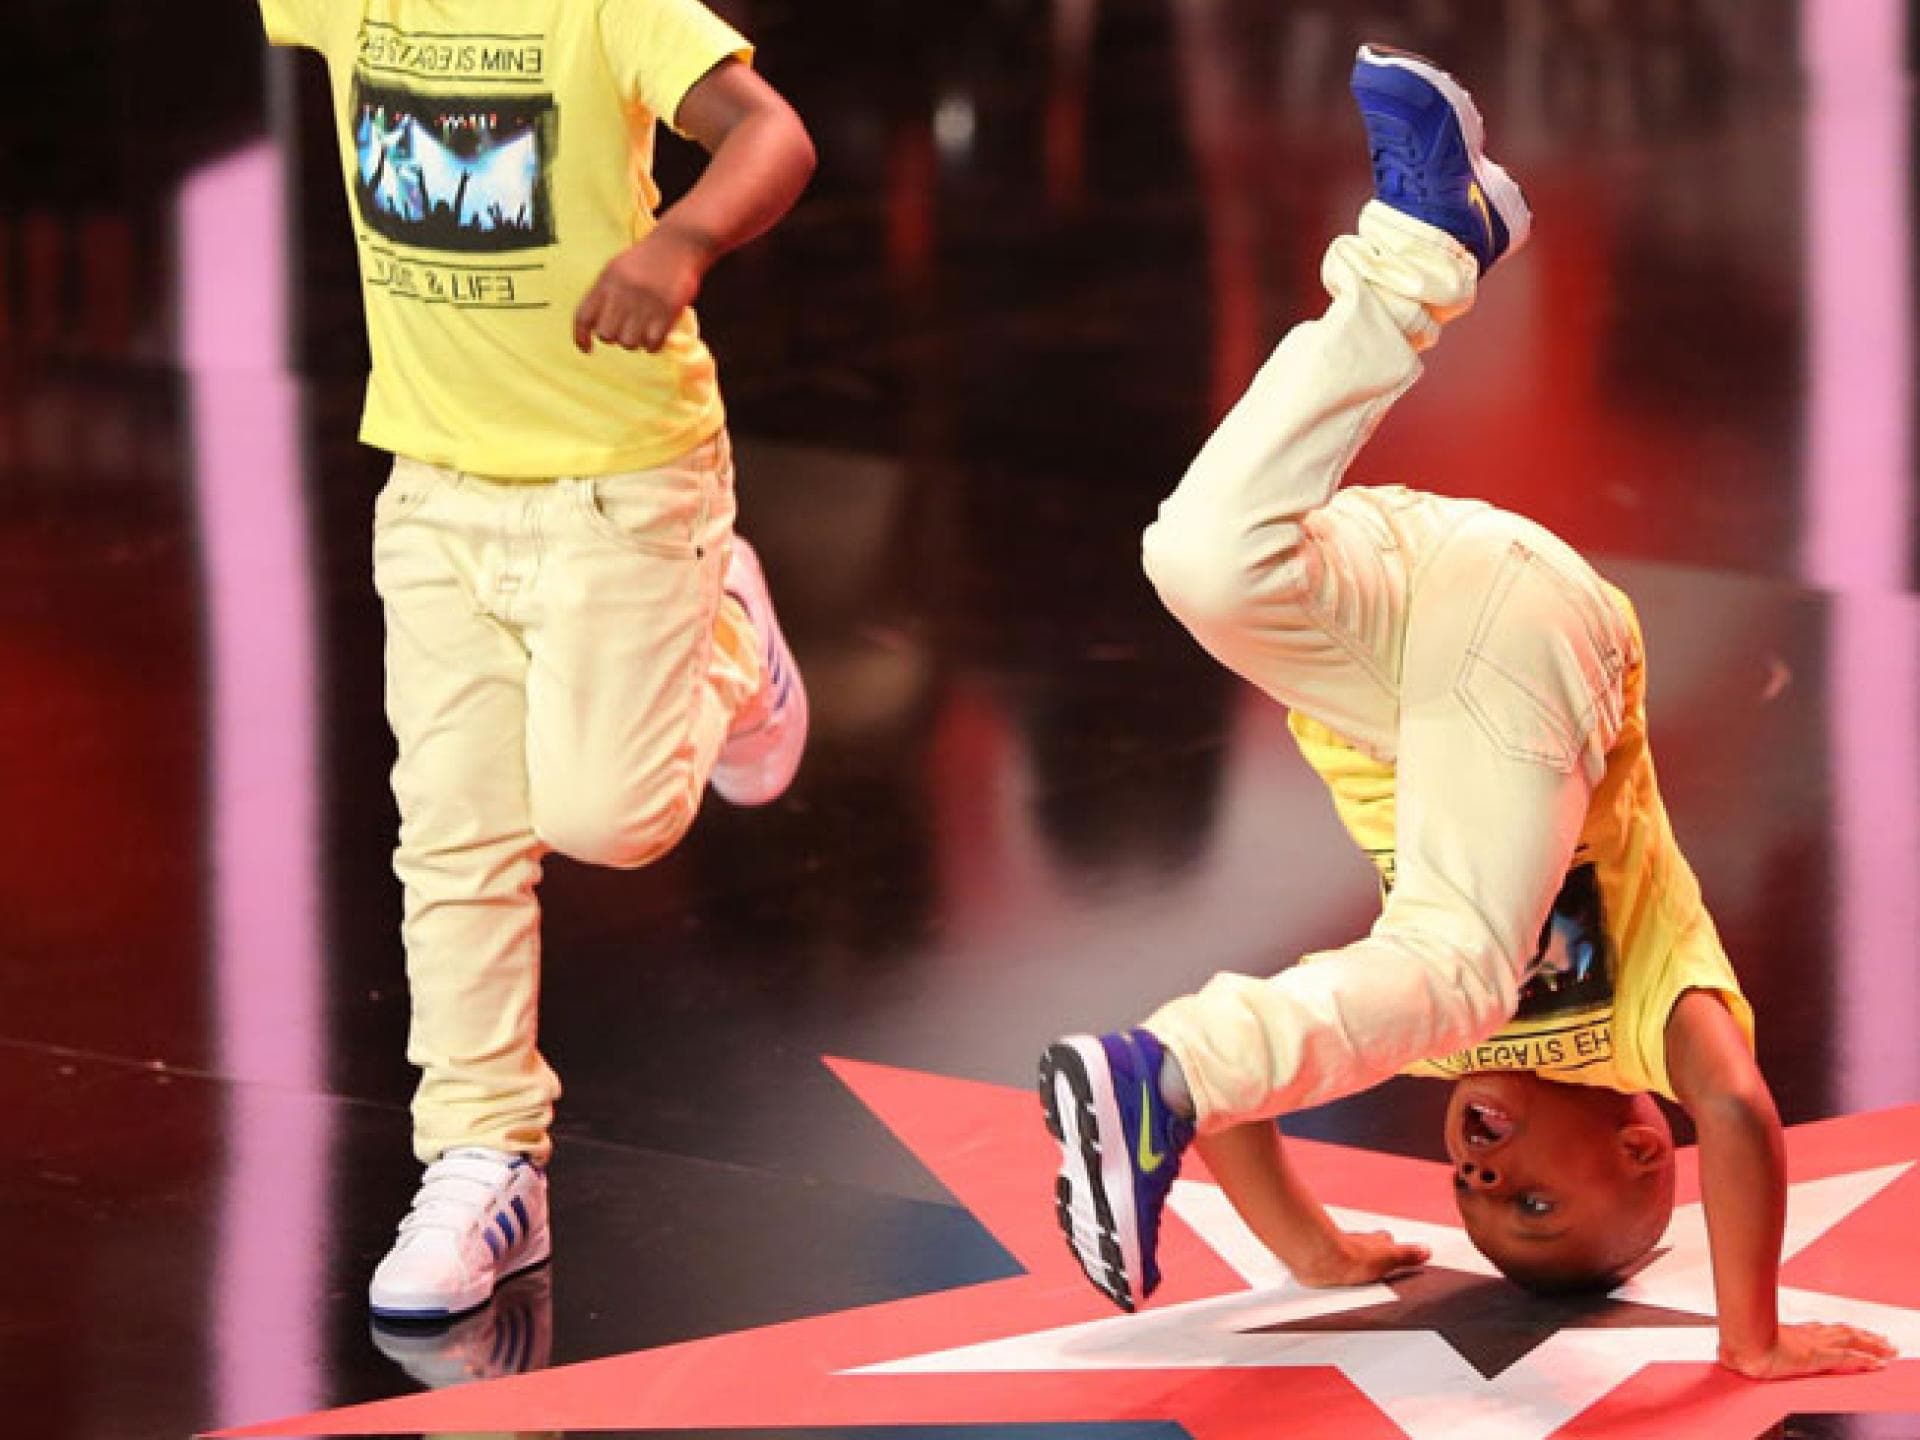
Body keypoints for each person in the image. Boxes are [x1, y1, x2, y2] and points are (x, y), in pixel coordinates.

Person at [1039, 44, 1896, 1382]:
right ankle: (1166, 1075)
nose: (1483, 1180)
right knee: (1461, 960)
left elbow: (1260, 1099)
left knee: (1200, 560)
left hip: (1410, 621)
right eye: (1534, 1201)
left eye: (1473, 1202)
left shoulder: (1420, 1028)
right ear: (1638, 1145)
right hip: (1542, 650)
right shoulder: (1650, 1016)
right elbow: (1735, 1110)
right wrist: (1753, 1338)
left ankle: (1424, 245)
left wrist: (1314, 1250)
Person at [257, 0, 816, 1319]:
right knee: (453, 837)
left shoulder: (610, 7)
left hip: (624, 486)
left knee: (609, 821)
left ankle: (729, 640)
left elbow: (773, 136)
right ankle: (484, 1154)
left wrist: (681, 239)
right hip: (435, 485)